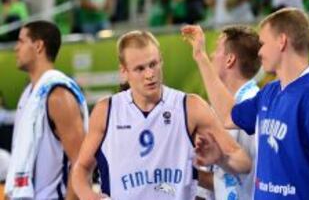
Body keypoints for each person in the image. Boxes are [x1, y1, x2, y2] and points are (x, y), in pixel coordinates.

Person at [182, 8, 309, 200]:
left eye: (262, 43)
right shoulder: (270, 92)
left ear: (282, 41)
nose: (259, 52)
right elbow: (229, 115)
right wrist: (200, 56)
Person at [72, 30, 252, 200]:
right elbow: (81, 168)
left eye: (153, 64)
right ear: (124, 72)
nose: (150, 74)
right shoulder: (107, 110)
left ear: (161, 61)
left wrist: (221, 159)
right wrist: (89, 197)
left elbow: (244, 163)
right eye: (140, 69)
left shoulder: (190, 107)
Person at [5, 21, 88, 200]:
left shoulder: (58, 95)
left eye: (21, 41)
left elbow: (81, 162)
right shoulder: (28, 95)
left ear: (38, 46)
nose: (15, 48)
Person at [199, 25, 261, 200]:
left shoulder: (254, 106)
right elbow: (224, 178)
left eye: (216, 50)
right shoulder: (216, 107)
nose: (211, 55)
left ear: (229, 60)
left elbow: (250, 175)